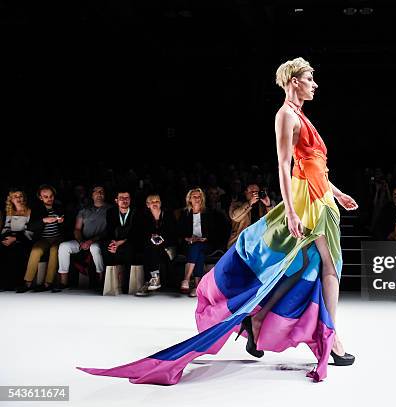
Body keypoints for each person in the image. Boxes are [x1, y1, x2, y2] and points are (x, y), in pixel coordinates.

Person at [78, 57, 358, 384]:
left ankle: (260, 320)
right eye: (310, 78)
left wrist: (336, 194)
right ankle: (331, 340)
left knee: (302, 267)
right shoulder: (285, 115)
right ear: (294, 80)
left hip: (319, 196)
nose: (315, 84)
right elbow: (284, 166)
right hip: (308, 200)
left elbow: (315, 168)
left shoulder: (299, 116)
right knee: (329, 266)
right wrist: (293, 210)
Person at [57, 185, 110, 290]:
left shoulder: (110, 209)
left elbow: (108, 230)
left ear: (104, 194)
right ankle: (63, 281)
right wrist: (81, 242)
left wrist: (91, 241)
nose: (99, 194)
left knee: (94, 247)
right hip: (83, 240)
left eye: (101, 191)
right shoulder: (84, 210)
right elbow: (77, 229)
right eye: (96, 191)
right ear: (92, 195)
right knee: (64, 246)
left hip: (99, 240)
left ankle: (101, 279)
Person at [17, 185, 64, 293]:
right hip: (43, 239)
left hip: (57, 238)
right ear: (40, 197)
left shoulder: (59, 207)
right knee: (35, 251)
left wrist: (62, 221)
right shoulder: (37, 209)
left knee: (54, 251)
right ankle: (28, 283)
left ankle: (48, 283)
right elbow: (30, 226)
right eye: (46, 197)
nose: (49, 199)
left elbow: (67, 226)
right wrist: (44, 220)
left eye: (51, 196)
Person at [0, 189, 33, 291]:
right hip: (11, 237)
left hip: (25, 239)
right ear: (11, 200)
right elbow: (6, 228)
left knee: (16, 250)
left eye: (20, 196)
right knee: (2, 248)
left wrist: (15, 238)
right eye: (15, 196)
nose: (18, 198)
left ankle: (17, 283)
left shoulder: (29, 211)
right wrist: (3, 239)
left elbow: (30, 231)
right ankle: (4, 283)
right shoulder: (10, 211)